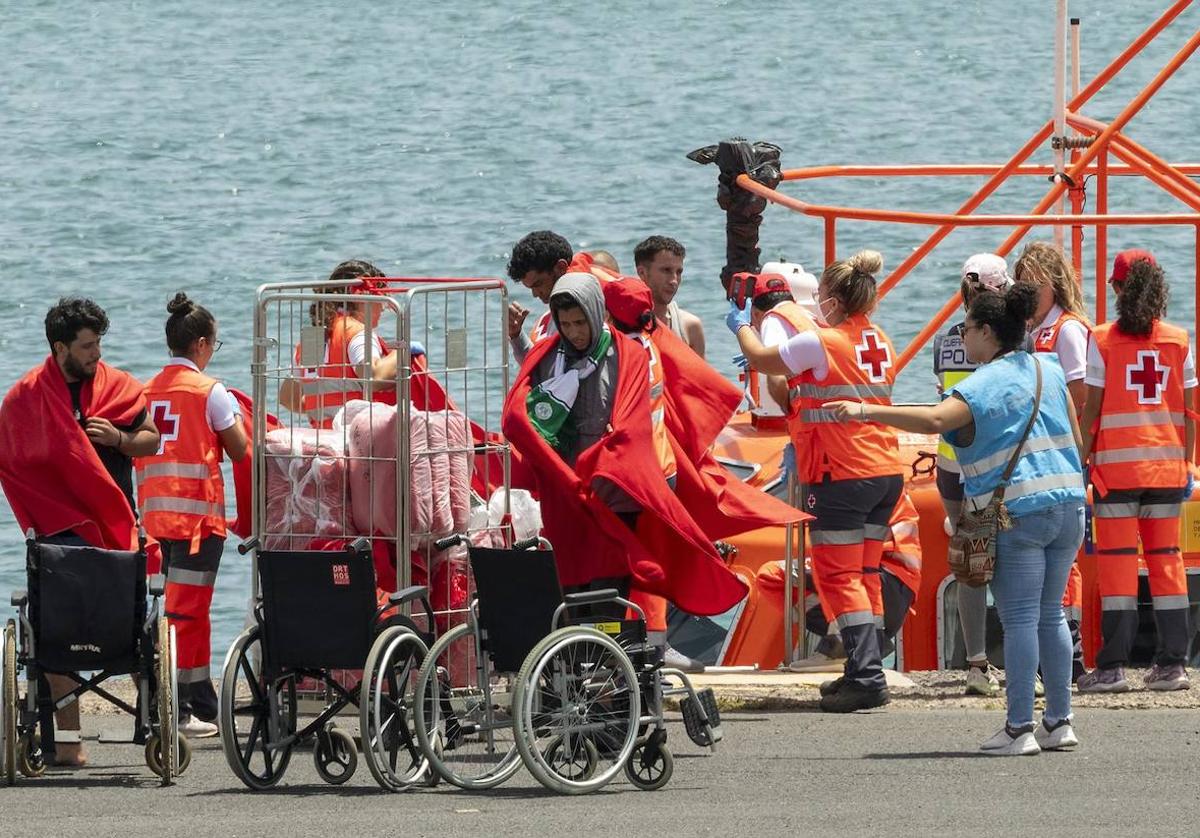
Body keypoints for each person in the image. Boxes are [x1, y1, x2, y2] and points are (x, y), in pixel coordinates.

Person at [825, 282, 1086, 755]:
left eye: (966, 329)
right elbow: (1073, 430)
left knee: (1021, 619)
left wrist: (864, 409)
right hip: (1068, 504)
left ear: (987, 331)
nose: (962, 338)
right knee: (1052, 614)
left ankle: (1018, 728)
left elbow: (934, 422)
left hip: (1019, 512)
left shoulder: (981, 383)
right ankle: (1060, 721)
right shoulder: (1049, 368)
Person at [502, 272, 747, 624]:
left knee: (609, 585)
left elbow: (633, 423)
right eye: (566, 323)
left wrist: (600, 462)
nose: (574, 332)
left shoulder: (625, 354)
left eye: (580, 321)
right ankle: (579, 662)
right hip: (567, 494)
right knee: (571, 584)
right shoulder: (551, 354)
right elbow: (528, 393)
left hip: (613, 492)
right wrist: (516, 338)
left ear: (597, 312)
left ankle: (610, 659)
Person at [729, 250, 904, 713]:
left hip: (841, 473)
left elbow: (763, 360)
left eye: (821, 298)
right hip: (884, 470)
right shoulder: (881, 340)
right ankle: (863, 666)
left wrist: (744, 323)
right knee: (866, 572)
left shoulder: (822, 342)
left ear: (833, 300)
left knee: (839, 575)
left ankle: (865, 677)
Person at [0, 297, 160, 767]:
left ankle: (152, 717)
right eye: (87, 346)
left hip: (115, 529)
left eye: (98, 344)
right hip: (59, 534)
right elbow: (11, 461)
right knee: (54, 635)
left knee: (134, 632)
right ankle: (68, 742)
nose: (96, 354)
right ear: (59, 348)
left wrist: (119, 440)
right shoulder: (27, 397)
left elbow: (151, 439)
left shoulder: (118, 387)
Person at [1078, 250, 1195, 693]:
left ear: (1119, 289)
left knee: (1118, 570)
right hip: (1166, 473)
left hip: (1116, 476)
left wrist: (1082, 460)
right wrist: (1187, 464)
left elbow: (1091, 410)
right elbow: (1189, 412)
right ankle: (1173, 666)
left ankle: (1111, 670)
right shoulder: (1178, 340)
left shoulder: (1103, 339)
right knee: (1168, 567)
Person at [136, 293, 249, 738]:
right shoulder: (209, 390)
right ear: (202, 344)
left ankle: (195, 698)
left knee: (178, 612)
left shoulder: (145, 391)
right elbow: (239, 447)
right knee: (188, 614)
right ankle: (181, 706)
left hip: (153, 518)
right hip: (197, 523)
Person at [934, 253, 1012, 696]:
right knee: (1007, 561)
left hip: (950, 464)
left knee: (968, 564)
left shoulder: (945, 341)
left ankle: (977, 664)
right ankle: (1017, 659)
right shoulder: (1002, 340)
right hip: (989, 464)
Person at [1014, 242, 1090, 680]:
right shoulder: (1032, 329)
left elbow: (1080, 393)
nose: (1026, 289)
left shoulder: (1067, 330)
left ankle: (1070, 650)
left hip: (1058, 457)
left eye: (1033, 282)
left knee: (1064, 561)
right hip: (1037, 458)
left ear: (1053, 283)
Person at [800, 490, 923, 668]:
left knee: (840, 571)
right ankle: (857, 643)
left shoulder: (874, 483)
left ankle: (845, 646)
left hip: (892, 581)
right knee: (775, 576)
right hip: (870, 577)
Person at [279, 260, 400, 428]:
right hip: (358, 441)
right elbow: (374, 377)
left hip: (322, 440)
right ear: (363, 299)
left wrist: (325, 404)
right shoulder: (356, 333)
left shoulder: (314, 338)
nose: (383, 308)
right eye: (382, 300)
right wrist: (402, 353)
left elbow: (288, 398)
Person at [506, 231, 574, 365]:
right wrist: (516, 335)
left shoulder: (575, 310)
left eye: (538, 284)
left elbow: (546, 371)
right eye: (530, 288)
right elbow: (543, 368)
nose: (535, 294)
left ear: (561, 268)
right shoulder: (558, 307)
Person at [634, 235, 705, 358]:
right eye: (666, 270)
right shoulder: (623, 323)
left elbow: (701, 376)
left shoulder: (690, 327)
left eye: (679, 272)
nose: (674, 280)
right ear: (642, 272)